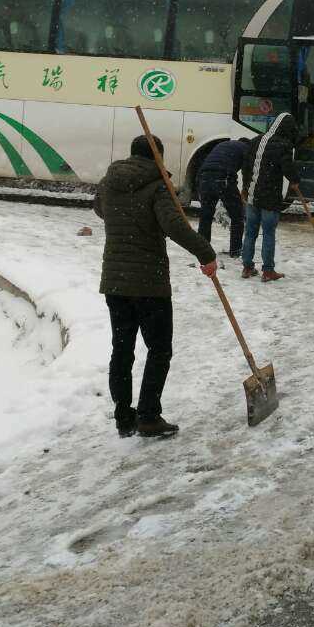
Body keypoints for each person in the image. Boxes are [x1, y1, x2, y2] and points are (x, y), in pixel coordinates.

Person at [93, 135, 217, 439]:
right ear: (157, 156)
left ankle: (124, 417)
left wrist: (127, 218)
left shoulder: (110, 182)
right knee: (159, 349)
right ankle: (148, 415)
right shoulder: (157, 185)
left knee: (121, 350)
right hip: (149, 284)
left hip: (115, 282)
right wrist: (206, 253)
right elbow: (174, 226)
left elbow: (99, 209)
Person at [240, 112, 301, 282]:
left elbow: (246, 167)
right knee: (268, 233)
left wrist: (245, 187)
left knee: (250, 232)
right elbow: (287, 167)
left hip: (252, 195)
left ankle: (247, 267)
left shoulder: (255, 141)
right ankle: (268, 271)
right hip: (270, 196)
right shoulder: (284, 145)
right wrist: (295, 180)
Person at [196, 137, 250, 257]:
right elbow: (247, 172)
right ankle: (235, 251)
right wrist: (244, 190)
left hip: (204, 176)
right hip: (223, 178)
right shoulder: (247, 149)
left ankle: (202, 249)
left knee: (206, 215)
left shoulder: (224, 144)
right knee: (237, 215)